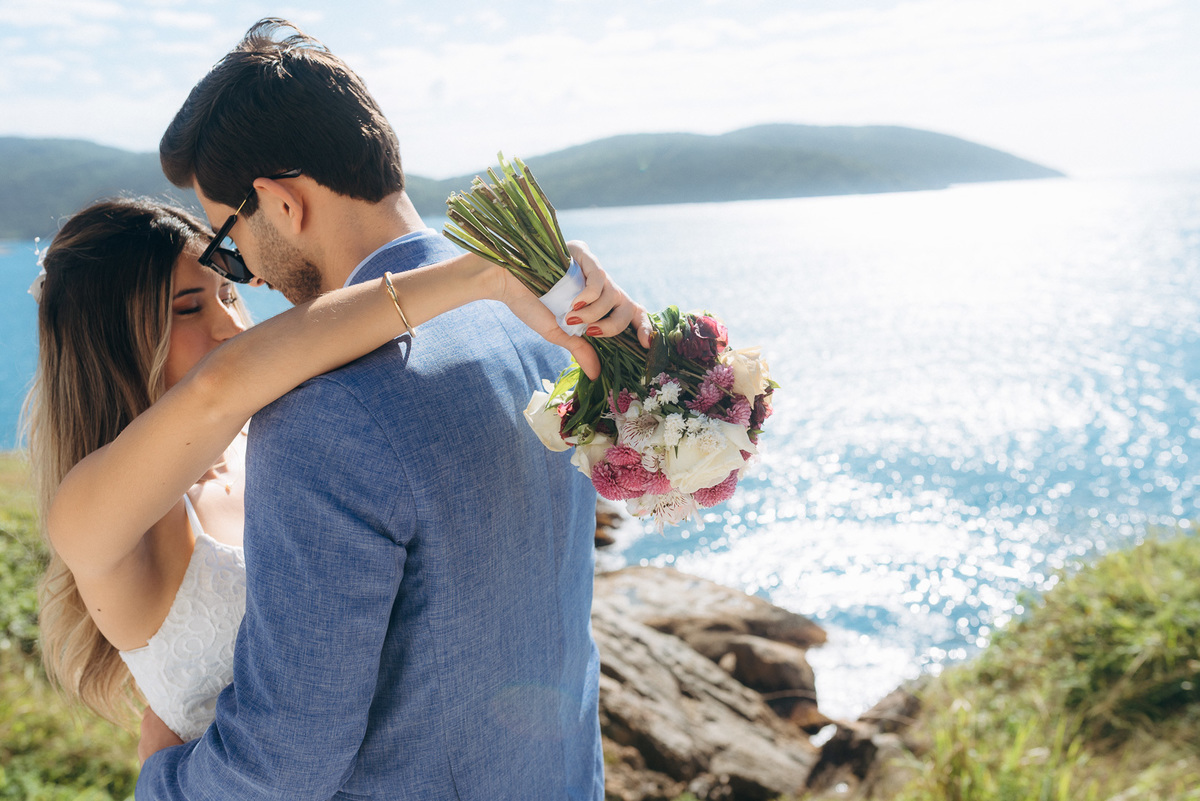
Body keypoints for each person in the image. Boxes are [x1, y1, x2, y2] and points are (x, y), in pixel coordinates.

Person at [120, 17, 635, 800]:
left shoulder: (322, 412)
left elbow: (282, 767)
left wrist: (162, 781)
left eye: (228, 244)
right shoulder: (532, 319)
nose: (247, 276)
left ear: (283, 204)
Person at [28, 196, 643, 758]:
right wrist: (479, 276)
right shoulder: (87, 517)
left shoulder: (273, 431)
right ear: (106, 339)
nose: (231, 326)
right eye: (190, 306)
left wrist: (549, 287)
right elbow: (223, 384)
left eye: (227, 295)